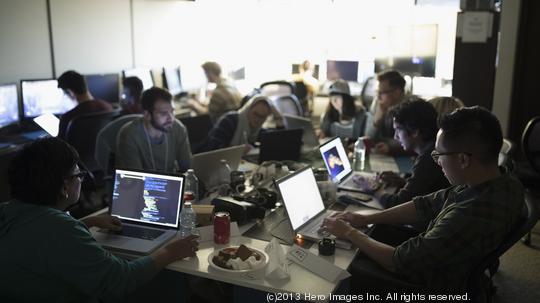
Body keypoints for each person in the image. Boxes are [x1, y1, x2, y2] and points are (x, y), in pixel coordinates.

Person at [322, 106, 524, 294]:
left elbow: (398, 261)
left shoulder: (472, 213)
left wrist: (349, 232)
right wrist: (365, 219)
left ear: (463, 159)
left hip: (431, 286)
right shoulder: (497, 180)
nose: (437, 160)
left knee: (344, 265)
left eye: (439, 155)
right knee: (373, 232)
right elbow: (425, 204)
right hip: (444, 259)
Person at [0, 138, 198, 302]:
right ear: (63, 187)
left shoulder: (8, 212)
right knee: (168, 277)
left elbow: (39, 240)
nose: (81, 180)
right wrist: (170, 252)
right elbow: (120, 279)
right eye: (78, 175)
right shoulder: (60, 229)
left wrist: (88, 222)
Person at [376, 99, 450, 209]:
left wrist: (374, 189)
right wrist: (403, 182)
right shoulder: (431, 149)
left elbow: (398, 204)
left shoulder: (429, 158)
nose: (396, 137)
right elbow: (427, 190)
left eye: (398, 130)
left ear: (415, 131)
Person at [116, 87, 192, 173]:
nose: (171, 118)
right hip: (141, 185)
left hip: (172, 183)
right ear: (147, 114)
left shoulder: (178, 128)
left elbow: (187, 168)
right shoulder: (129, 135)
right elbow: (135, 180)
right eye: (163, 113)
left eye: (172, 112)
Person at [198, 95, 272, 153]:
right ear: (248, 110)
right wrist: (237, 151)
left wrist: (279, 118)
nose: (257, 119)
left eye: (262, 116)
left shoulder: (258, 131)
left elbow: (277, 144)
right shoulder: (230, 121)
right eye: (255, 114)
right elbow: (213, 148)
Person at [57, 70, 113, 139]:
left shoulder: (68, 117)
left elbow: (60, 145)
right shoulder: (108, 107)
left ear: (70, 92)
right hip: (101, 149)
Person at [365, 70, 406, 155]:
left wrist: (389, 145)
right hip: (380, 156)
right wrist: (376, 121)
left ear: (397, 92)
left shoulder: (412, 107)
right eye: (377, 92)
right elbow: (368, 138)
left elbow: (410, 141)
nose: (378, 96)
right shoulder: (377, 104)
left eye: (382, 92)